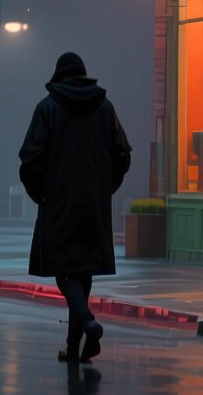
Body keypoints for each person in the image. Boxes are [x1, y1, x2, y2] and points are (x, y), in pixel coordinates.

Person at [18, 51, 131, 363]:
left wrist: (40, 192)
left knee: (64, 270)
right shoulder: (105, 108)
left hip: (58, 201)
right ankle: (75, 347)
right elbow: (123, 154)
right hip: (94, 202)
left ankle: (89, 322)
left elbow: (29, 159)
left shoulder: (47, 109)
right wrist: (106, 187)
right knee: (83, 270)